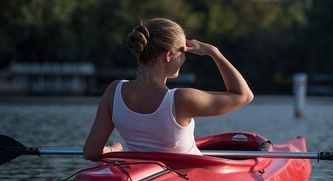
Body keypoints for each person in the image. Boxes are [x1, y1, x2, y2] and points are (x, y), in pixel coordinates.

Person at [83, 18, 253, 161]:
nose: (185, 57)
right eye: (183, 51)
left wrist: (115, 151)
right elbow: (244, 95)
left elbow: (91, 152)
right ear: (168, 56)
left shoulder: (114, 91)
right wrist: (214, 52)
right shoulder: (181, 99)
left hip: (142, 179)